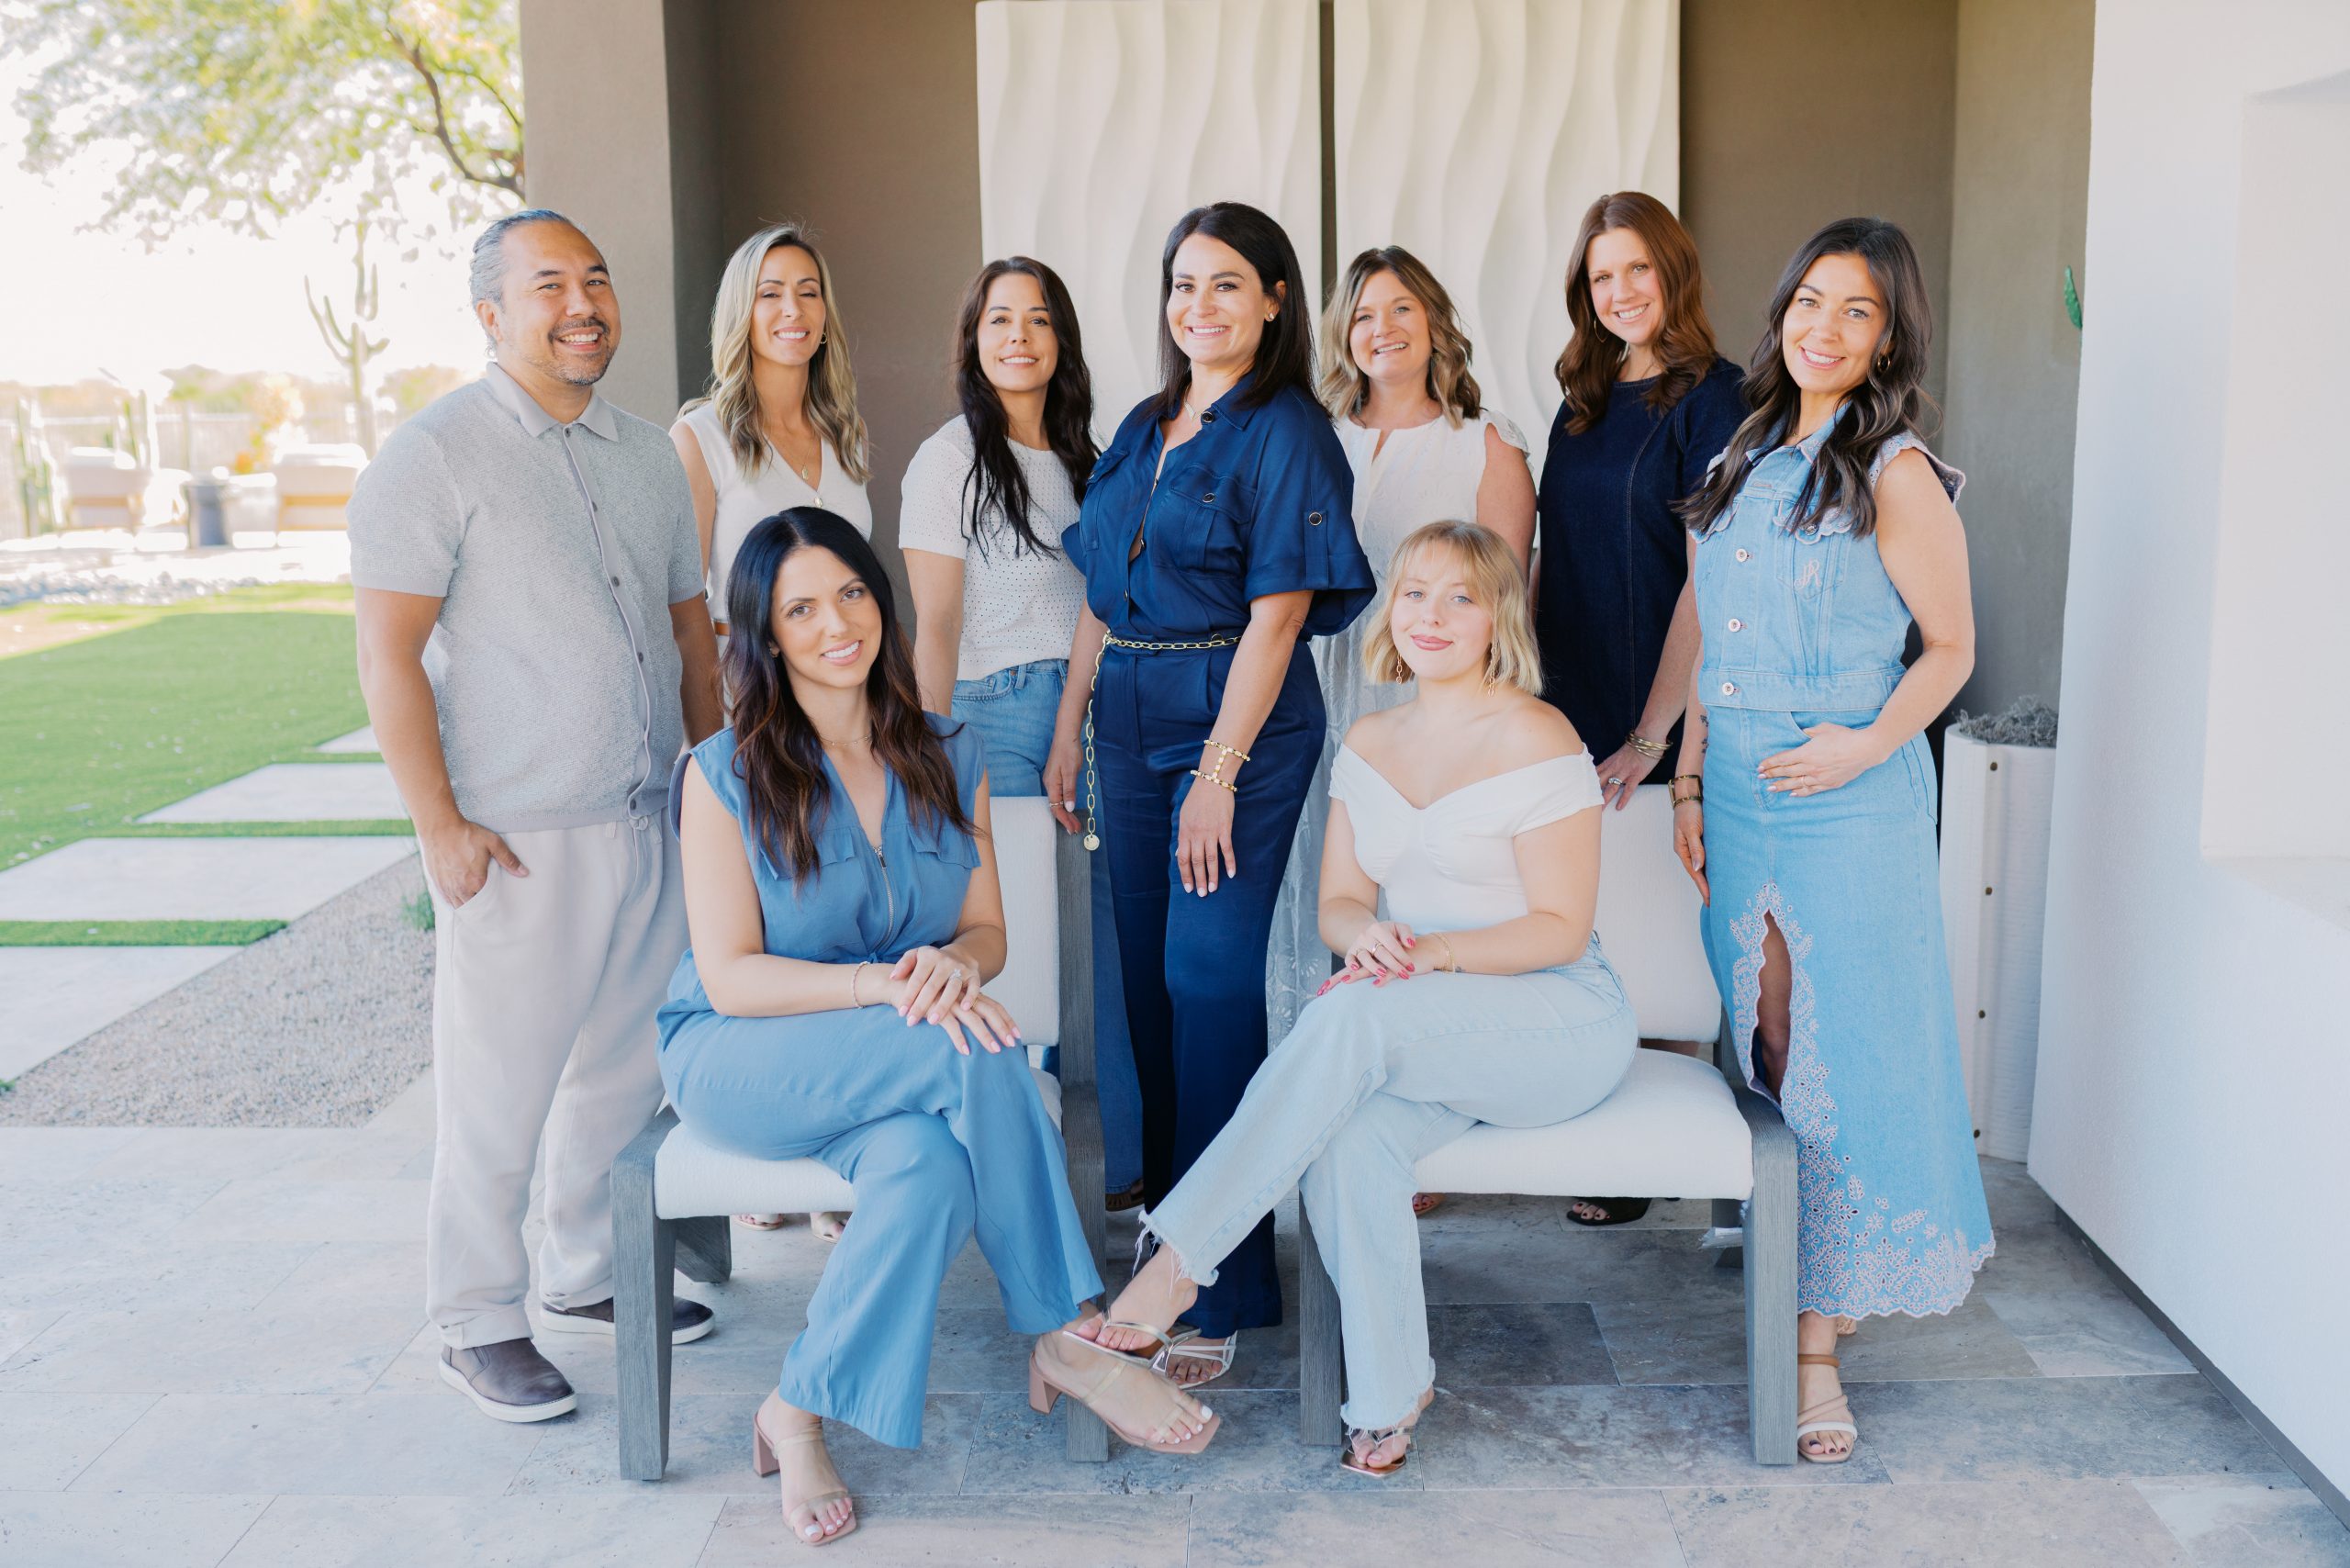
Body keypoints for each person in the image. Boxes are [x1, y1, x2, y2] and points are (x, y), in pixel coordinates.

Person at [656, 509, 1218, 1545]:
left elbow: (987, 932)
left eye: (851, 593)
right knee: (969, 1038)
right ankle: (1068, 1332)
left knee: (930, 1170)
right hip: (743, 1055)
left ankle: (797, 1408)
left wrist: (957, 964)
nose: (837, 624)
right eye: (801, 609)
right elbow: (730, 977)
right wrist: (886, 987)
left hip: (898, 1064)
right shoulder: (722, 771)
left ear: (881, 600)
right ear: (766, 633)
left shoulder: (949, 751)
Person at [1086, 520, 1636, 1473]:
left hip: (1558, 1017)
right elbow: (1340, 904)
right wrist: (1369, 938)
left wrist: (1424, 953)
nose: (1432, 615)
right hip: (1425, 1026)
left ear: (1498, 617)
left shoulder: (1537, 733)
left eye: (1461, 597)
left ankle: (1174, 1265)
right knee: (1350, 1133)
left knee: (1350, 1011)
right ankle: (1388, 1393)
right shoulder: (1371, 740)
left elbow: (1557, 926)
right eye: (1415, 592)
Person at [349, 209, 724, 1424]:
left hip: (651, 814)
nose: (582, 305)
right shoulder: (431, 455)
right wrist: (439, 826)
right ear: (491, 315)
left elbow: (690, 637)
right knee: (499, 1089)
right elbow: (387, 655)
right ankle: (475, 1318)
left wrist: (715, 790)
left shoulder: (647, 456)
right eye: (549, 284)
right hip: (517, 833)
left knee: (622, 1070)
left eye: (596, 280)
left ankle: (587, 1268)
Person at [1671, 217, 1994, 1463]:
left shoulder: (1895, 470)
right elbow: (1712, 630)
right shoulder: (1743, 448)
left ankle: (1814, 1348)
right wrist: (1686, 780)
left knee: (1834, 1049)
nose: (1825, 326)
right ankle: (1804, 1266)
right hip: (1737, 789)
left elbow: (1950, 649)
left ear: (1889, 336)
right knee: (1766, 1034)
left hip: (1848, 796)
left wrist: (1862, 747)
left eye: (1857, 309)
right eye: (1811, 299)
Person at [1048, 201, 1375, 1387]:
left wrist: (1219, 775)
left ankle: (1223, 1276)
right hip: (1127, 715)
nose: (1201, 306)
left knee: (1209, 976)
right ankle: (1172, 1231)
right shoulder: (1144, 426)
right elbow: (1099, 590)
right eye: (1185, 284)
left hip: (1237, 720)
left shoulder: (1289, 431)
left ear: (1276, 300)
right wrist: (1071, 728)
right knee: (1145, 982)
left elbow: (1279, 617)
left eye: (1228, 284)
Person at [1269, 243, 1538, 1221]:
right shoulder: (1314, 436)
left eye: (1400, 310)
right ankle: (1313, 1114)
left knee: (1419, 884)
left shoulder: (1485, 442)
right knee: (1324, 883)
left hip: (1430, 693)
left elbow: (1503, 598)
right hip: (1320, 683)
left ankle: (1422, 1122)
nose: (1380, 329)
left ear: (1434, 323)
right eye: (1363, 314)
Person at [901, 257, 1144, 1208]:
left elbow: (1104, 605)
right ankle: (1011, 1155)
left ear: (1061, 340)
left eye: (1038, 319)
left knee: (1103, 938)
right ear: (974, 340)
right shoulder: (949, 458)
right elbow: (934, 625)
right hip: (989, 713)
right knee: (1013, 938)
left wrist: (1075, 718)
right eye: (999, 319)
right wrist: (933, 753)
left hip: (1092, 709)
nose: (1019, 336)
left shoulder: (1094, 460)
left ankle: (1116, 1158)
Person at [1535, 191, 1748, 1227]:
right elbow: (1552, 553)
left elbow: (1710, 583)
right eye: (1600, 275)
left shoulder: (1717, 398)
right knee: (1595, 924)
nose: (1618, 291)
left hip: (1661, 705)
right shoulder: (1579, 400)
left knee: (1664, 938)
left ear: (1673, 272)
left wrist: (1652, 733)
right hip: (1569, 697)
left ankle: (1661, 1150)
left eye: (1636, 269)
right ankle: (1606, 1127)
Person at [672, 220, 872, 1236]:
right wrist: (717, 749)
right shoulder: (702, 437)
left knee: (825, 922)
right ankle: (766, 1146)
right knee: (753, 936)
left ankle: (832, 1147)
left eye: (807, 291)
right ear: (739, 313)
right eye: (769, 293)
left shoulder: (843, 438)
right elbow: (687, 605)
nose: (791, 312)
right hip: (753, 725)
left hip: (840, 723)